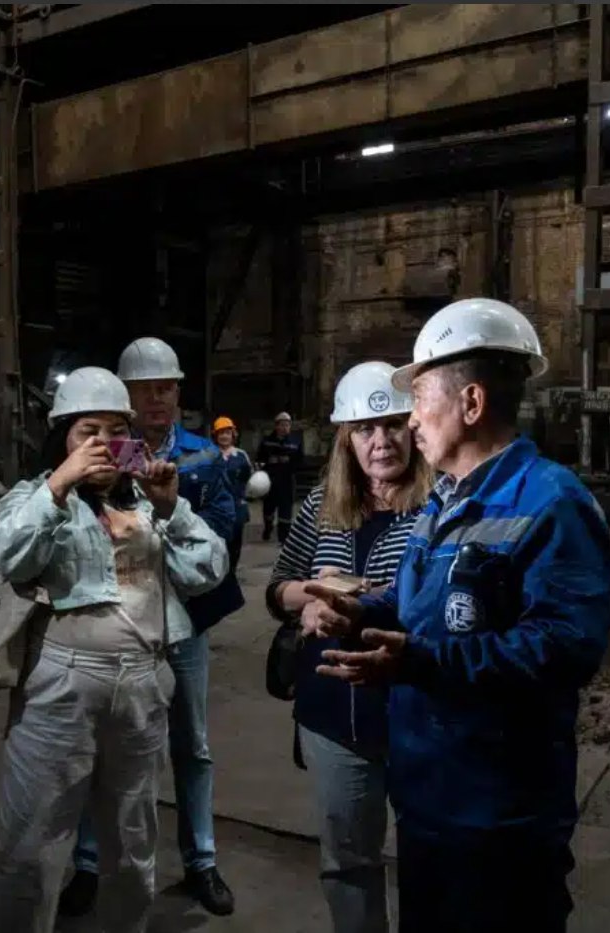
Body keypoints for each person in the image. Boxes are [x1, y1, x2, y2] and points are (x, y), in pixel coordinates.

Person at [309, 298, 610, 932]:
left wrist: (419, 662)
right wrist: (358, 611)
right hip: (429, 793)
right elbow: (417, 602)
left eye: (420, 398)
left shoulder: (551, 503)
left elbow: (565, 648)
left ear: (471, 403)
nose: (410, 421)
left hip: (499, 809)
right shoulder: (444, 499)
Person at [0, 366, 229, 933]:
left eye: (116, 432)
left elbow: (208, 568)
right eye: (87, 432)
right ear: (62, 438)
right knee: (32, 843)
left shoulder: (146, 502)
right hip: (59, 686)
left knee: (133, 844)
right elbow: (9, 555)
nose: (102, 444)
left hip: (142, 683)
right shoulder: (35, 497)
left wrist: (171, 508)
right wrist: (58, 485)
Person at [53, 336, 242, 918]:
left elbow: (226, 526)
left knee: (192, 745)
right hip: (119, 620)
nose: (158, 399)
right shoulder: (107, 455)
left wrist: (173, 533)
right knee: (102, 749)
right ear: (124, 396)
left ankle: (201, 860)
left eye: (167, 388)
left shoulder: (203, 455)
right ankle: (89, 864)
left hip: (184, 619)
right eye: (146, 389)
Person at [266, 362, 432, 933]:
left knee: (430, 858)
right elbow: (278, 586)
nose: (380, 441)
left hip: (415, 711)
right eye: (365, 429)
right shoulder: (321, 506)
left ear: (414, 428)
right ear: (346, 440)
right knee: (348, 861)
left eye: (392, 425)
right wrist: (307, 602)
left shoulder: (440, 508)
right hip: (332, 715)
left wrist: (373, 602)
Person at [211, 416, 253, 572]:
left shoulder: (241, 455)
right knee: (218, 540)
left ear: (233, 435)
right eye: (220, 433)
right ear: (215, 435)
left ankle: (232, 571)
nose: (224, 436)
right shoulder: (209, 454)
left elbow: (250, 479)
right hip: (216, 505)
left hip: (237, 505)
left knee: (235, 542)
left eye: (227, 433)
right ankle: (218, 572)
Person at [257, 412, 303, 543]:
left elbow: (300, 461)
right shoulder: (267, 441)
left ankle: (283, 538)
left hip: (287, 481)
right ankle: (268, 527)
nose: (284, 428)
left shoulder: (295, 442)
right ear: (276, 426)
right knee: (268, 509)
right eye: (282, 425)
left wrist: (289, 462)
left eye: (287, 425)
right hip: (269, 480)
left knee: (286, 511)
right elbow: (259, 459)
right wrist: (268, 462)